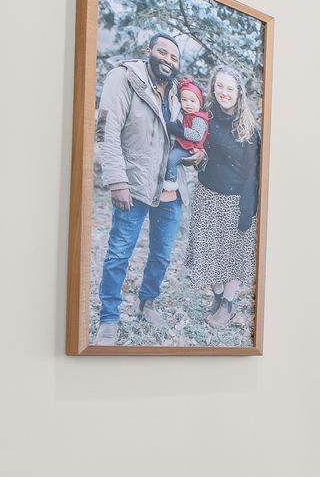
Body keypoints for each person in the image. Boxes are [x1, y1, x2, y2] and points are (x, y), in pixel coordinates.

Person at [92, 32, 199, 344]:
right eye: (162, 52)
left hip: (169, 190)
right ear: (148, 51)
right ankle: (108, 318)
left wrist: (197, 154)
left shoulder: (178, 94)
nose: (168, 59)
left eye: (174, 57)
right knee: (119, 253)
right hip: (134, 184)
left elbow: (184, 136)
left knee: (162, 254)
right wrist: (117, 180)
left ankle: (147, 302)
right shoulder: (124, 79)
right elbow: (106, 130)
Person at [186, 65, 259, 330]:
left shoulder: (248, 128)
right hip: (207, 195)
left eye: (229, 88)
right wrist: (196, 159)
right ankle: (218, 296)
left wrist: (247, 209)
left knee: (233, 256)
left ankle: (227, 304)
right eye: (219, 86)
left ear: (239, 92)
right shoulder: (204, 118)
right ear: (213, 87)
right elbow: (198, 152)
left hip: (235, 200)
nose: (223, 93)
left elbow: (252, 172)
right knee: (207, 254)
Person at [163, 76, 210, 202]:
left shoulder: (199, 118)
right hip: (183, 144)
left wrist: (180, 131)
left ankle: (170, 188)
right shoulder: (187, 114)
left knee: (171, 159)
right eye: (184, 100)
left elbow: (197, 135)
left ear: (200, 103)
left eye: (192, 101)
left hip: (190, 148)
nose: (188, 104)